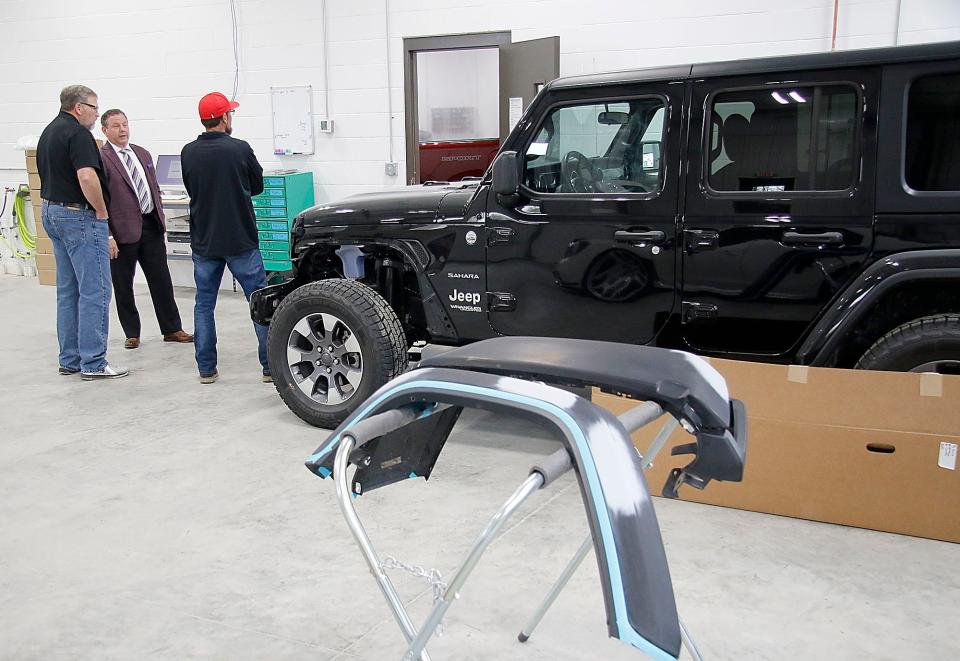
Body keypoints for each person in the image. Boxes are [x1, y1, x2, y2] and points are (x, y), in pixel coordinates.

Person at [36, 84, 128, 380]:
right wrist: (101, 212)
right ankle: (94, 362)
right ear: (78, 107)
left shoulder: (49, 132)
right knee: (96, 290)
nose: (95, 113)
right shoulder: (79, 134)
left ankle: (70, 359)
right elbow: (86, 176)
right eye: (94, 108)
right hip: (79, 216)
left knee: (68, 290)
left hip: (52, 212)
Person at [180, 92, 270, 384]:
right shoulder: (239, 149)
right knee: (258, 300)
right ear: (224, 118)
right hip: (240, 239)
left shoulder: (188, 152)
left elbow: (192, 187)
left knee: (204, 304)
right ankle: (270, 367)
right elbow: (257, 186)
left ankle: (206, 369)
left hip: (205, 241)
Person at [99, 109, 193, 350]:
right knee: (123, 284)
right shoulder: (101, 158)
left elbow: (153, 187)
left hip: (150, 225)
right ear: (105, 130)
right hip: (121, 233)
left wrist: (159, 212)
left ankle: (172, 328)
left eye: (125, 124)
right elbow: (99, 200)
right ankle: (132, 333)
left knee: (161, 280)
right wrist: (108, 234)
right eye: (116, 126)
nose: (122, 130)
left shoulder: (142, 153)